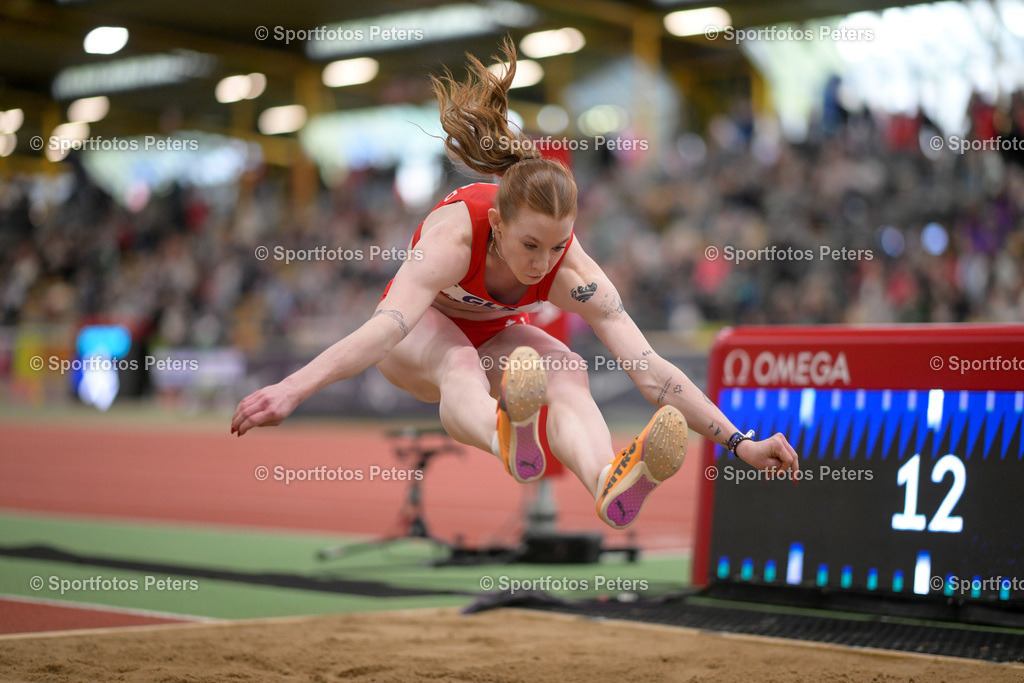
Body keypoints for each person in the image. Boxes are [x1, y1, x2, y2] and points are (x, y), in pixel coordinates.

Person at [231, 38, 800, 530]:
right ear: (498, 224)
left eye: (557, 246)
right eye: (530, 246)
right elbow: (385, 329)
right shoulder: (453, 237)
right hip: (415, 342)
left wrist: (740, 442)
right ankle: (507, 433)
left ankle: (606, 481)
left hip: (496, 332)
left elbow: (650, 371)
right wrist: (293, 390)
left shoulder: (573, 273)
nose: (541, 264)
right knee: (457, 364)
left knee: (567, 369)